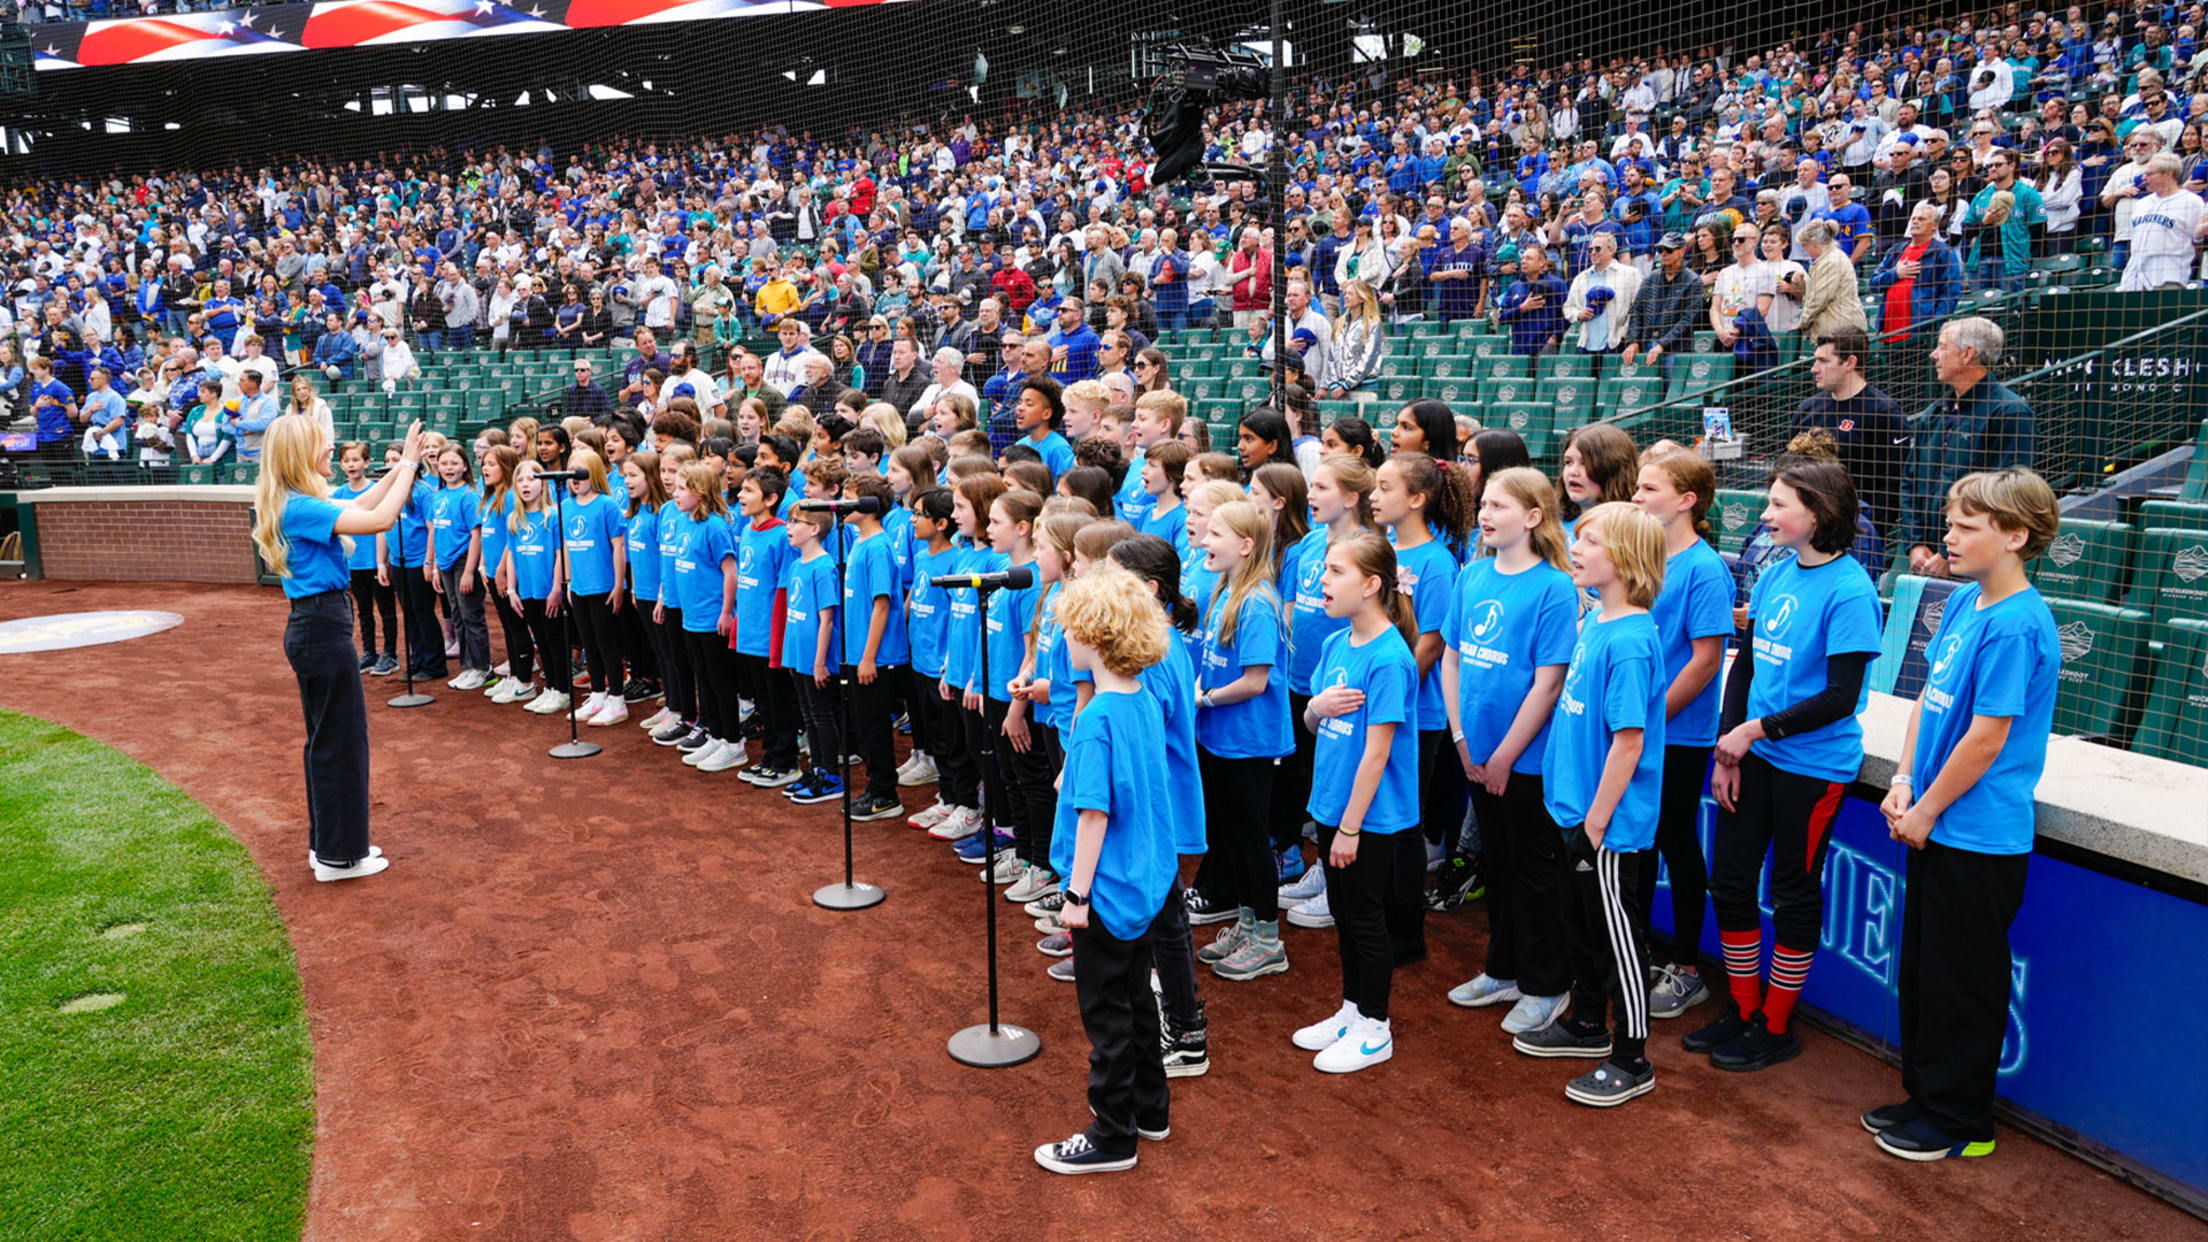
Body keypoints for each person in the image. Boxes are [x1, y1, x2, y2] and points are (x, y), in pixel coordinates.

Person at [1871, 468, 2062, 1161]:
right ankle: (1926, 1098)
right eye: (1951, 523)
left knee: (1963, 982)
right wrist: (1901, 780)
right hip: (1935, 817)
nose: (1948, 537)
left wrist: (1925, 810)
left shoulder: (2017, 624)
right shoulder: (1963, 604)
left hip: (1978, 836)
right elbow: (1930, 698)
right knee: (1924, 971)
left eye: (1966, 527)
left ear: (2015, 536)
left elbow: (1987, 737)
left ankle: (1961, 1122)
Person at [1692, 456, 1884, 1072]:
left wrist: (1755, 730)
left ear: (1818, 512)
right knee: (1729, 880)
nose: (1766, 515)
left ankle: (1776, 1024)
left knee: (1793, 893)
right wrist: (1730, 745)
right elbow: (1743, 666)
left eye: (1779, 505)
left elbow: (1840, 697)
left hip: (1812, 767)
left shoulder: (1852, 590)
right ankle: (1743, 1007)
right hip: (1754, 756)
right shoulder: (1776, 574)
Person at [1514, 502, 1669, 1109]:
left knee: (1618, 940)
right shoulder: (1597, 623)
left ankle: (1632, 1057)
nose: (1574, 548)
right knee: (1580, 926)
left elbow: (1628, 742)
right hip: (1573, 814)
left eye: (1590, 541)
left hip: (1606, 827)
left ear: (1626, 559)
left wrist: (1597, 824)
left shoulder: (1629, 641)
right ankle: (1584, 1022)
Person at [1031, 565, 1178, 1176]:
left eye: (1072, 631)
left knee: (1107, 1015)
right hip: (1145, 882)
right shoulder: (1142, 696)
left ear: (1096, 636)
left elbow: (1093, 815)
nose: (1066, 641)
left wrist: (1075, 894)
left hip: (1107, 891)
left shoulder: (1095, 719)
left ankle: (1113, 1135)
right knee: (1138, 1001)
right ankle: (1151, 1109)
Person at [250, 413, 427, 883]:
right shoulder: (302, 507)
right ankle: (338, 857)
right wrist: (409, 464)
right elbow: (380, 518)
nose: (331, 451)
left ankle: (330, 846)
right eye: (323, 446)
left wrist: (399, 467)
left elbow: (363, 500)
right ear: (301, 455)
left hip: (317, 625)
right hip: (321, 627)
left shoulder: (298, 500)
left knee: (329, 740)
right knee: (340, 742)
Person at [1292, 531, 1422, 1074]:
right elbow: (1311, 724)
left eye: (1335, 571)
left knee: (1366, 919)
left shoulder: (1390, 658)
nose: (1323, 580)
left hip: (1370, 820)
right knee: (1344, 914)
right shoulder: (1335, 644)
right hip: (1332, 807)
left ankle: (1376, 1025)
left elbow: (1377, 755)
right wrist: (1317, 707)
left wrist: (1350, 829)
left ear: (1371, 585)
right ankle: (1350, 1009)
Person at [1630, 449, 1733, 1019]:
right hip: (1637, 731)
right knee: (1640, 842)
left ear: (1686, 501)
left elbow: (1705, 659)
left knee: (1674, 840)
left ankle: (1688, 967)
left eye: (1649, 489)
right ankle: (1639, 949)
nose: (1637, 497)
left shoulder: (1704, 567)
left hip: (1678, 734)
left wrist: (1648, 718)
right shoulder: (1642, 553)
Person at [1194, 500, 1294, 980]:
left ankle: (1269, 940)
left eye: (1216, 534)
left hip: (1248, 743)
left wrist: (1206, 699)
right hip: (1221, 738)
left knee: (1252, 838)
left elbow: (1256, 681)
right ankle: (1247, 922)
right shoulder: (1227, 590)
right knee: (1230, 834)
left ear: (1246, 545)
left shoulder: (1256, 601)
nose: (1206, 541)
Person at [1901, 317, 2037, 578]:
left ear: (1968, 354)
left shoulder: (2010, 413)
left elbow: (2004, 496)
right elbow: (1910, 480)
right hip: (1925, 563)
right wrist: (1914, 544)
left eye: (1942, 347)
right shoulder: (1934, 413)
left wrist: (1948, 552)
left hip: (1977, 570)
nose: (1933, 355)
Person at [662, 460, 745, 773]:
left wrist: (726, 612)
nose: (676, 494)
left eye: (683, 488)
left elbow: (730, 572)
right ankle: (716, 734)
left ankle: (734, 743)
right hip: (691, 618)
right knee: (703, 679)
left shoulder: (714, 526)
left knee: (721, 681)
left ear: (700, 492)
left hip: (712, 619)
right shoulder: (685, 521)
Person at [841, 472, 909, 820]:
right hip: (858, 652)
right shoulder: (859, 541)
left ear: (867, 505)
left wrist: (869, 658)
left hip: (876, 658)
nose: (842, 501)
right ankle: (875, 787)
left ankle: (885, 793)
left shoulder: (878, 547)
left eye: (849, 495)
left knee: (873, 728)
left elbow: (882, 605)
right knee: (864, 726)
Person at [1794, 327, 1908, 531]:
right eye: (1815, 360)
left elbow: (1894, 486)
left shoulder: (1884, 412)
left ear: (1850, 363)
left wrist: (1867, 532)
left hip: (1855, 530)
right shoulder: (1807, 409)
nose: (1814, 368)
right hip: (1805, 525)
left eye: (1824, 361)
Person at [782, 505, 847, 804]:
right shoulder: (797, 564)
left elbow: (827, 619)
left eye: (796, 522)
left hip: (814, 657)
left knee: (821, 715)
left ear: (815, 530)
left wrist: (820, 661)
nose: (789, 526)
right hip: (797, 653)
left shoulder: (823, 567)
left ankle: (831, 775)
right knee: (808, 715)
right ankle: (817, 767)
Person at [562, 447, 631, 726]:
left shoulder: (607, 505)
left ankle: (617, 699)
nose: (575, 478)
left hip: (603, 586)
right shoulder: (565, 507)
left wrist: (618, 585)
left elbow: (618, 547)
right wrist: (568, 581)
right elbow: (567, 546)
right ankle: (598, 694)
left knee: (606, 644)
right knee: (589, 643)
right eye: (571, 472)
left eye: (581, 472)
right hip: (579, 587)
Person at [424, 444, 490, 691]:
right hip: (445, 563)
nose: (448, 468)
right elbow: (435, 531)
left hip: (464, 560)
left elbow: (477, 534)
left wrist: (470, 571)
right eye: (444, 464)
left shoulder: (469, 495)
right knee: (457, 615)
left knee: (471, 614)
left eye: (454, 463)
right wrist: (433, 566)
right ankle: (468, 666)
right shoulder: (438, 495)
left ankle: (482, 667)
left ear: (465, 466)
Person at [334, 441, 398, 676]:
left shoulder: (375, 491)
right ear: (341, 465)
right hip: (354, 563)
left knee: (386, 609)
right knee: (363, 610)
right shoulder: (338, 494)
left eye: (356, 460)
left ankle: (390, 654)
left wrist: (384, 560)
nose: (351, 465)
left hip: (375, 562)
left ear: (367, 463)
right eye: (346, 461)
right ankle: (369, 653)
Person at [2117, 151, 2208, 289]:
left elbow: (2197, 244)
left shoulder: (2191, 202)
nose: (2144, 178)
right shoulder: (2141, 204)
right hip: (2133, 279)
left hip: (2168, 277)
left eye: (2149, 174)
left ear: (2169, 174)